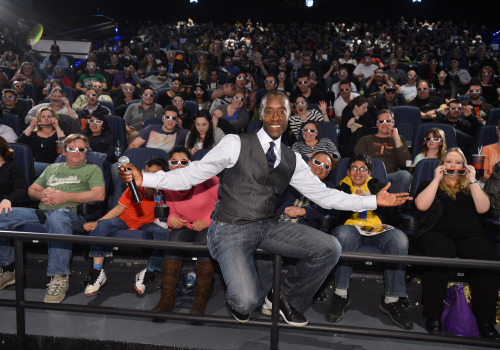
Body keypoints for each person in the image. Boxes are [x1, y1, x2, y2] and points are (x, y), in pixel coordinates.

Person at [119, 90, 411, 327]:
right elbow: (192, 174)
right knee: (246, 303)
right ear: (261, 114)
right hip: (229, 227)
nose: (275, 116)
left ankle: (284, 298)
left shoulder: (292, 158)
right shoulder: (234, 143)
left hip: (269, 225)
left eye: (281, 111)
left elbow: (325, 197)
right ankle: (249, 297)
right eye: (268, 111)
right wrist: (149, 178)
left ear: (288, 117)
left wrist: (373, 201)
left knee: (330, 247)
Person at [0, 134, 105, 303]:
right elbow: (31, 191)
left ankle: (59, 276)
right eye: (72, 148)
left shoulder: (92, 169)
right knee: (2, 214)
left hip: (72, 215)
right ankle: (8, 268)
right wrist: (41, 194)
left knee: (59, 215)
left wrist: (65, 197)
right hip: (41, 213)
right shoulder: (51, 169)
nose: (76, 152)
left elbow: (99, 194)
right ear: (64, 151)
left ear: (87, 152)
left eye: (81, 149)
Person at [412, 148, 499, 339]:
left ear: (464, 165)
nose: (453, 165)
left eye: (457, 162)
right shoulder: (429, 184)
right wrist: (436, 179)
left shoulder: (471, 186)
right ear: (442, 164)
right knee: (440, 252)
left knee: (486, 257)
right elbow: (421, 205)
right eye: (449, 161)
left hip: (469, 235)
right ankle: (433, 315)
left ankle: (485, 319)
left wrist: (473, 179)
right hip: (437, 233)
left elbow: (484, 209)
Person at [326, 153, 412, 330]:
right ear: (348, 171)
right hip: (352, 228)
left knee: (399, 239)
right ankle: (341, 294)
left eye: (363, 169)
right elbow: (334, 215)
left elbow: (393, 214)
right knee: (343, 235)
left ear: (369, 172)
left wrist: (383, 204)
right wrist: (354, 201)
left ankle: (391, 300)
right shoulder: (340, 188)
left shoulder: (378, 186)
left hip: (378, 229)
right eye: (354, 168)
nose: (358, 172)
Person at [83, 157, 169, 296]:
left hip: (147, 223)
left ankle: (149, 271)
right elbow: (118, 208)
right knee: (103, 225)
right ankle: (98, 270)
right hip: (124, 220)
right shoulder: (134, 186)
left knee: (165, 235)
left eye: (154, 173)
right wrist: (97, 222)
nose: (149, 175)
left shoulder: (164, 191)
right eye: (147, 172)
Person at [152, 146, 218, 316]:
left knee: (204, 243)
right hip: (186, 224)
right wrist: (171, 218)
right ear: (169, 165)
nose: (179, 165)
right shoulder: (168, 182)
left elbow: (224, 203)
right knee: (174, 240)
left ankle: (200, 300)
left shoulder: (208, 178)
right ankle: (166, 297)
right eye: (174, 162)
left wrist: (206, 220)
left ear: (191, 164)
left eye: (184, 162)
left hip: (210, 224)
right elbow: (172, 209)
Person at [354, 109, 412, 194]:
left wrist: (396, 137)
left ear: (393, 123)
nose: (385, 124)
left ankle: (396, 205)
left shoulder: (399, 139)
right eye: (381, 121)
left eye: (388, 121)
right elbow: (357, 162)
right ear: (377, 124)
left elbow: (407, 162)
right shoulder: (365, 140)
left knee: (405, 175)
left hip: (391, 176)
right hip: (371, 176)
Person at [18, 107, 65, 177]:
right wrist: (32, 125)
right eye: (43, 117)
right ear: (39, 119)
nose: (46, 118)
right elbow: (20, 144)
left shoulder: (58, 133)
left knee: (29, 167)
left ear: (54, 118)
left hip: (52, 166)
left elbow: (63, 148)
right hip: (34, 164)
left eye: (49, 117)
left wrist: (57, 126)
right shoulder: (33, 133)